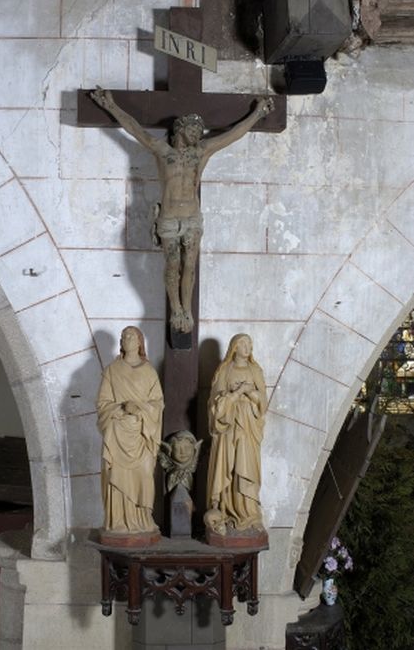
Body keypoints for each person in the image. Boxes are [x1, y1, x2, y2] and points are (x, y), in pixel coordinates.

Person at [91, 87, 274, 333]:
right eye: (192, 130)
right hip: (168, 217)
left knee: (190, 264)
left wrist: (257, 114)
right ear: (180, 129)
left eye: (199, 131)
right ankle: (176, 308)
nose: (197, 134)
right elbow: (134, 130)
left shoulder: (201, 153)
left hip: (191, 217)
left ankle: (186, 310)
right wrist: (111, 106)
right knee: (172, 263)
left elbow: (232, 135)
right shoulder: (162, 151)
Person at [97, 326, 164, 533]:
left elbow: (158, 403)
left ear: (139, 342)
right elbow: (103, 403)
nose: (127, 339)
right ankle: (118, 522)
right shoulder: (112, 370)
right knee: (116, 476)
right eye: (124, 336)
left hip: (142, 433)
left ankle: (143, 520)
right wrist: (122, 407)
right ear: (121, 342)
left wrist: (140, 409)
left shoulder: (149, 371)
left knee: (144, 474)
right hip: (117, 433)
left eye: (132, 336)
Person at [205, 334, 267, 534]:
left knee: (246, 467)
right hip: (228, 427)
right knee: (228, 467)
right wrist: (236, 394)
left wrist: (249, 392)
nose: (247, 347)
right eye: (243, 343)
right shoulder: (225, 370)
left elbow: (263, 402)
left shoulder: (255, 370)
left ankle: (249, 513)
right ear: (234, 347)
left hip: (248, 427)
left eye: (250, 343)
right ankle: (225, 510)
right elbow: (215, 404)